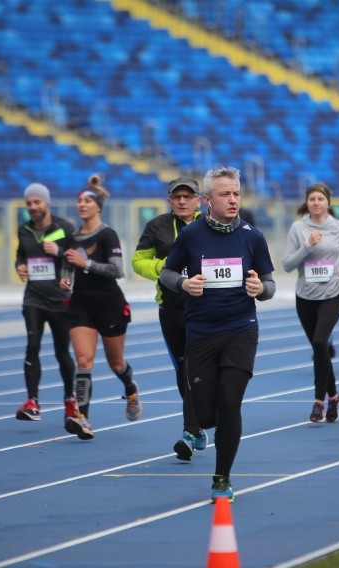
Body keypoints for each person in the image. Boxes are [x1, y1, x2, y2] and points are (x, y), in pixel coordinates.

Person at [159, 166, 275, 502]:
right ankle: (204, 432)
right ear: (208, 200)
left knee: (230, 403)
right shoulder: (192, 235)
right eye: (225, 194)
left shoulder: (253, 236)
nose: (233, 199)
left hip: (241, 330)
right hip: (201, 334)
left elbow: (269, 283)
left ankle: (222, 478)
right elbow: (166, 272)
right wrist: (184, 283)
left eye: (237, 193)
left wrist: (260, 288)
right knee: (207, 415)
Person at [60, 175, 141, 441]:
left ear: (98, 206)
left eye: (87, 201)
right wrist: (64, 279)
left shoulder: (108, 234)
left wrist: (86, 265)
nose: (81, 204)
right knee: (83, 361)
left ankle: (130, 389)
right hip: (81, 306)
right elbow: (67, 267)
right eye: (79, 201)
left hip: (110, 305)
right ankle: (82, 418)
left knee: (115, 363)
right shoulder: (73, 237)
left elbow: (117, 270)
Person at [132, 177, 207, 461]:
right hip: (172, 307)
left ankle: (190, 430)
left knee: (194, 367)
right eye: (177, 197)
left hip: (205, 307)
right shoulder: (157, 226)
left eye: (188, 196)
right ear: (169, 200)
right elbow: (138, 262)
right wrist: (164, 267)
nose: (182, 201)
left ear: (199, 200)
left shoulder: (209, 224)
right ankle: (196, 423)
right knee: (182, 369)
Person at [283, 183, 339, 423]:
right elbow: (287, 265)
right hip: (305, 296)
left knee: (320, 342)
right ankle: (334, 396)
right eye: (312, 199)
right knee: (320, 350)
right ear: (307, 203)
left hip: (332, 293)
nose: (316, 203)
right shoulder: (298, 228)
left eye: (320, 199)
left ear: (328, 202)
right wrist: (307, 246)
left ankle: (319, 401)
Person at [13, 183, 77, 425]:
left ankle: (70, 401)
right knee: (32, 346)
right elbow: (21, 254)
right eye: (29, 203)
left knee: (62, 353)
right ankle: (33, 402)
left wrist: (59, 251)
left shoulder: (64, 228)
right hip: (34, 299)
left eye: (37, 202)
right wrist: (19, 265)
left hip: (60, 299)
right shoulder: (24, 230)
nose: (33, 207)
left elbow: (76, 259)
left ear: (46, 204)